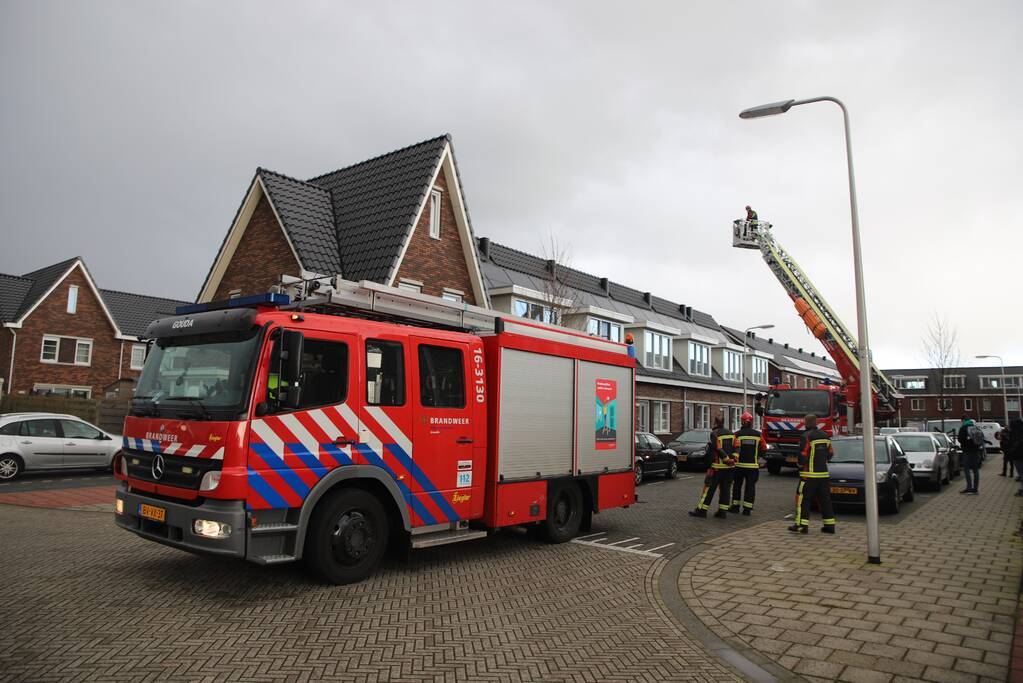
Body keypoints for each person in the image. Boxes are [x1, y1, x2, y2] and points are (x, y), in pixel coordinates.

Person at [789, 414, 836, 534]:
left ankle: (802, 526)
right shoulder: (825, 436)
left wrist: (799, 465)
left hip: (808, 476)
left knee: (803, 500)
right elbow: (830, 454)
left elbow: (803, 455)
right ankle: (829, 526)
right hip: (823, 475)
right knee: (825, 500)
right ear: (816, 423)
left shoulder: (806, 436)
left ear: (805, 422)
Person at [689, 416, 736, 519]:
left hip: (716, 468)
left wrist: (726, 459)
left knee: (708, 489)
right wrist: (733, 460)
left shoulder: (714, 434)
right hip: (729, 469)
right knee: (725, 489)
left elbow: (718, 448)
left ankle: (702, 510)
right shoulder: (731, 434)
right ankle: (722, 511)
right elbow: (737, 448)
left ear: (715, 423)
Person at [730, 412, 766, 516]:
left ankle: (735, 507)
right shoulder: (758, 435)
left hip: (739, 466)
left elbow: (733, 448)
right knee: (750, 487)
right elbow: (763, 448)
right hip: (753, 466)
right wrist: (759, 456)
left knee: (737, 486)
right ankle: (747, 509)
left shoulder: (736, 434)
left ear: (741, 421)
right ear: (751, 422)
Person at [958, 418, 984, 494]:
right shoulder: (976, 428)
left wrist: (965, 443)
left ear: (964, 422)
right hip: (976, 451)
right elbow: (981, 438)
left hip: (967, 451)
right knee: (975, 470)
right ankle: (975, 489)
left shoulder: (963, 428)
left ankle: (969, 487)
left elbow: (960, 439)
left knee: (966, 469)